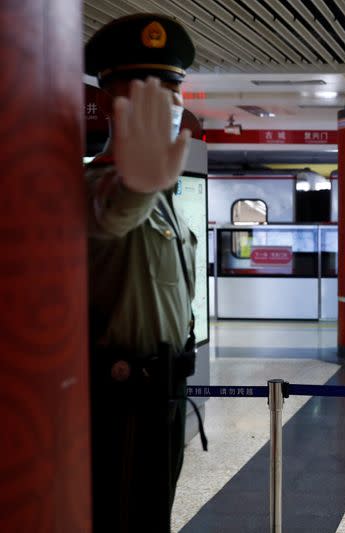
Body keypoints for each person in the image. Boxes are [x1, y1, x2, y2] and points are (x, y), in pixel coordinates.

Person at [84, 14, 198, 532]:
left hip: (166, 389)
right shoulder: (94, 186)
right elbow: (112, 214)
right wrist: (137, 182)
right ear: (109, 100)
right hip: (121, 395)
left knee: (154, 516)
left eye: (174, 87)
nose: (170, 102)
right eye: (149, 88)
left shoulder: (162, 192)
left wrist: (149, 184)